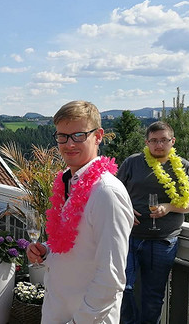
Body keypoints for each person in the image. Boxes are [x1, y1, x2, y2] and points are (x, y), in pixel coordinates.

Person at [27, 100, 134, 323]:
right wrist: (47, 251)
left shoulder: (107, 192)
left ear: (98, 136)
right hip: (57, 310)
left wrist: (80, 321)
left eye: (78, 135)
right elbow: (81, 246)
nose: (69, 144)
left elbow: (111, 276)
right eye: (62, 136)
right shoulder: (68, 182)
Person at [117, 121, 189, 323]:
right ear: (146, 142)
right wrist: (126, 210)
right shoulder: (132, 163)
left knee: (153, 298)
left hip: (163, 241)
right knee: (123, 288)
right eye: (154, 140)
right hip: (128, 237)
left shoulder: (184, 167)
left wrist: (170, 207)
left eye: (163, 140)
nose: (159, 145)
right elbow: (113, 194)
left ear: (172, 141)